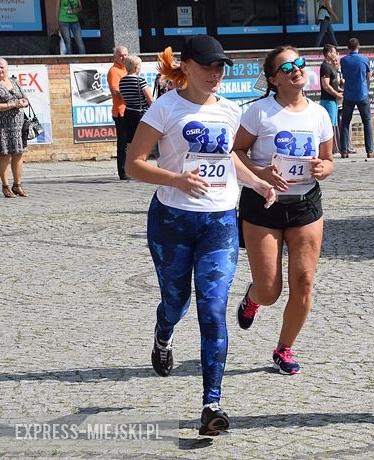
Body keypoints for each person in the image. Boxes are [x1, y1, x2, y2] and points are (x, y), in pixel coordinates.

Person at [124, 35, 276, 436]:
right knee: (175, 303)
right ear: (186, 66)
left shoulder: (229, 110)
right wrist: (175, 178)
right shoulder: (165, 107)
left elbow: (227, 159)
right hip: (172, 220)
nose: (216, 74)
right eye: (208, 66)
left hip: (220, 222)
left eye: (221, 67)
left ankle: (212, 404)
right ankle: (163, 334)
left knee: (212, 311)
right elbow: (134, 164)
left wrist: (258, 183)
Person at [234, 45, 334, 376]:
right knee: (270, 290)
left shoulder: (319, 114)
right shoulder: (259, 113)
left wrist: (324, 168)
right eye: (287, 66)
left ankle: (284, 348)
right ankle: (252, 298)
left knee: (304, 282)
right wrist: (260, 174)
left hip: (305, 205)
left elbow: (329, 161)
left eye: (300, 63)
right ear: (273, 79)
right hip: (262, 205)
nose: (297, 69)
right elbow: (235, 152)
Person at [0, 58, 30, 198]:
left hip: (18, 125)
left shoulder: (14, 82)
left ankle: (17, 185)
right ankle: (5, 186)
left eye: (1, 67)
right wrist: (14, 104)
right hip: (3, 126)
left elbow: (25, 99)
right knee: (5, 154)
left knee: (18, 153)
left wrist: (23, 102)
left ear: (7, 68)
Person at [340, 38, 374, 158]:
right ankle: (370, 151)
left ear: (348, 48)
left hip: (348, 94)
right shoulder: (365, 59)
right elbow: (368, 75)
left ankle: (344, 151)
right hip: (362, 94)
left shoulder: (343, 60)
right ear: (358, 46)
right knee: (367, 122)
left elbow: (344, 75)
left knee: (345, 123)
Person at [118, 55, 153, 154]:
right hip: (140, 113)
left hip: (128, 112)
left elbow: (124, 99)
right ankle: (141, 163)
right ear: (136, 67)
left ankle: (130, 163)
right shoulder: (140, 81)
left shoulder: (122, 81)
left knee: (130, 140)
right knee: (142, 141)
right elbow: (150, 100)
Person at [107, 46, 129, 180]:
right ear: (115, 56)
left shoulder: (127, 69)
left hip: (129, 110)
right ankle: (123, 171)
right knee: (123, 143)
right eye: (121, 55)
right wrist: (130, 96)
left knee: (131, 143)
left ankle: (130, 169)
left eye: (126, 55)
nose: (124, 58)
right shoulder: (114, 71)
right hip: (121, 112)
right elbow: (115, 91)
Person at [319, 45, 345, 157]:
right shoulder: (325, 66)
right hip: (327, 100)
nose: (335, 54)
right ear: (329, 53)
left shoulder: (331, 67)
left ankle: (332, 148)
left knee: (333, 125)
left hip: (333, 100)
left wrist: (342, 91)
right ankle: (328, 150)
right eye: (334, 52)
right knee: (328, 126)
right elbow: (325, 85)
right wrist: (336, 94)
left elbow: (333, 85)